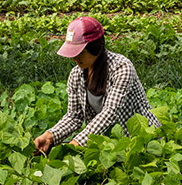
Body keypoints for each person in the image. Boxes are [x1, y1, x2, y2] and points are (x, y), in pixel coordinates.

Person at [34, 16, 161, 152]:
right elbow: (74, 116)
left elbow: (110, 112)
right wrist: (49, 136)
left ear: (96, 47)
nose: (74, 58)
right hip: (106, 142)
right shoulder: (76, 75)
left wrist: (76, 143)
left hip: (140, 140)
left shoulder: (122, 68)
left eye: (80, 53)